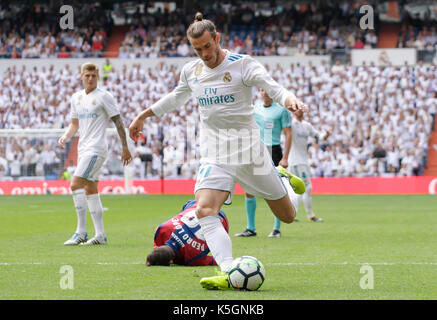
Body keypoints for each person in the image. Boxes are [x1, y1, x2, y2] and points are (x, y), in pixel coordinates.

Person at [129, 13, 306, 290]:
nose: (203, 54)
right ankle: (228, 270)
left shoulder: (242, 64)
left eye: (207, 47)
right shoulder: (191, 71)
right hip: (215, 154)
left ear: (217, 39)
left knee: (287, 216)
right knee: (204, 209)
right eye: (197, 49)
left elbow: (271, 86)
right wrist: (144, 114)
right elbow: (176, 97)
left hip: (250, 153)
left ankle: (283, 178)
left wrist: (290, 99)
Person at [59, 62, 132, 246]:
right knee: (90, 189)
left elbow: (118, 121)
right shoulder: (76, 98)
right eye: (87, 75)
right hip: (83, 148)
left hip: (96, 149)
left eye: (93, 75)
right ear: (81, 76)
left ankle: (81, 232)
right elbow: (75, 123)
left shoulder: (104, 96)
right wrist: (66, 136)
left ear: (97, 76)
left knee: (75, 184)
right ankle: (100, 235)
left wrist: (125, 146)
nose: (90, 78)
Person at [235, 88, 294, 238]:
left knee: (277, 188)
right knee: (249, 189)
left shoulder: (282, 110)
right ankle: (251, 228)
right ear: (260, 93)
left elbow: (288, 134)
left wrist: (285, 157)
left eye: (267, 90)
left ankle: (276, 228)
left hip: (274, 150)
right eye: (262, 90)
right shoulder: (255, 109)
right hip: (257, 150)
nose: (265, 93)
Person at [277, 108, 331, 231]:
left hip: (302, 160)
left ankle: (292, 213)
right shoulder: (291, 125)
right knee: (306, 187)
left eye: (301, 109)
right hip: (295, 161)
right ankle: (310, 215)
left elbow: (319, 137)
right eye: (297, 109)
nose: (299, 111)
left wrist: (326, 135)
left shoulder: (307, 126)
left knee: (295, 190)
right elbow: (282, 131)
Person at [146, 200, 229, 266]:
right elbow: (157, 247)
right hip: (198, 204)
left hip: (221, 222)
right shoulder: (161, 230)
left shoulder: (191, 259)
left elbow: (216, 260)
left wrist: (181, 262)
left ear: (171, 261)